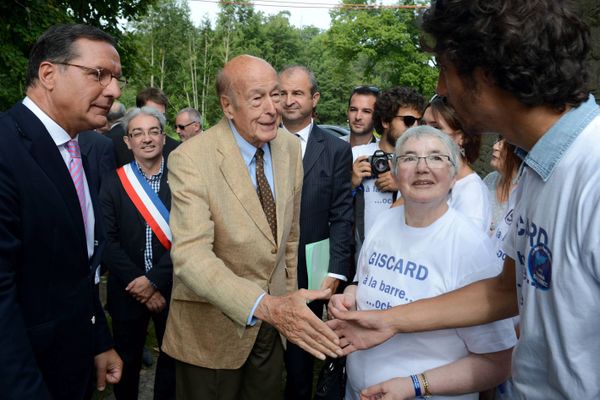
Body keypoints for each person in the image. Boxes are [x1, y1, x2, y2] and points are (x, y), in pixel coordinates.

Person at [328, 1, 600, 398]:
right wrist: (390, 321)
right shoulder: (536, 167)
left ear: (485, 73)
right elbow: (505, 291)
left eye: (444, 70)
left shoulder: (591, 169)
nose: (441, 89)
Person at [161, 55, 343, 400]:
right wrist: (264, 305)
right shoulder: (191, 158)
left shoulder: (289, 147)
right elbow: (191, 256)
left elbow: (289, 239)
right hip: (211, 333)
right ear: (228, 106)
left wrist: (285, 304)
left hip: (273, 329)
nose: (273, 108)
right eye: (257, 98)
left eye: (276, 95)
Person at [330, 126, 515, 399]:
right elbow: (367, 282)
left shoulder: (470, 247)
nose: (422, 167)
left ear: (454, 176)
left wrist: (414, 385)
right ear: (394, 172)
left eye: (437, 157)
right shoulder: (383, 223)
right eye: (409, 158)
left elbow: (498, 363)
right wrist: (350, 296)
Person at [0, 23, 123, 399]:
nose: (115, 91)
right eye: (99, 75)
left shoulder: (75, 150)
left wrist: (97, 339)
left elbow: (77, 268)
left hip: (72, 365)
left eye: (116, 78)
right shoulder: (6, 149)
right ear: (49, 74)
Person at [279, 65, 354, 400]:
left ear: (314, 98)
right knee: (260, 353)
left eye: (297, 93)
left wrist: (335, 269)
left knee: (300, 357)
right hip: (262, 266)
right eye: (282, 93)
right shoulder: (261, 141)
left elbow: (341, 214)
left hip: (313, 263)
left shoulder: (336, 149)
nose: (289, 100)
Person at [100, 106, 175, 400]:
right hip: (127, 289)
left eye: (153, 131)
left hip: (172, 288)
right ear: (128, 141)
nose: (146, 139)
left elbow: (190, 239)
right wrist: (142, 285)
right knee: (126, 364)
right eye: (138, 133)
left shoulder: (183, 179)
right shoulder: (113, 182)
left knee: (173, 362)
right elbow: (106, 240)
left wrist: (155, 280)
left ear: (163, 138)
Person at [352, 87, 424, 253]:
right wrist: (351, 183)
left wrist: (403, 187)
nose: (414, 127)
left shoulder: (422, 163)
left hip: (400, 255)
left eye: (419, 122)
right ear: (385, 121)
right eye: (408, 120)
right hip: (359, 256)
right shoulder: (356, 155)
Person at [421, 95, 491, 231]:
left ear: (462, 137)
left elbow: (465, 249)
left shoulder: (471, 192)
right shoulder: (431, 179)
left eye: (436, 128)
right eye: (423, 125)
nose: (424, 134)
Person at [107, 87, 179, 166]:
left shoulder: (175, 149)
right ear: (139, 111)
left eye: (162, 115)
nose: (158, 119)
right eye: (151, 114)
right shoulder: (114, 144)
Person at [483, 137, 520, 235]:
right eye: (498, 141)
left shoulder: (524, 193)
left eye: (504, 144)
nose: (495, 147)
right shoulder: (490, 179)